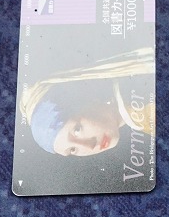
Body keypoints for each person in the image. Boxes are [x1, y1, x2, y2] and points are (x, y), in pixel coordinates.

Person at [21, 48, 155, 157]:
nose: (90, 146)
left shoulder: (145, 105)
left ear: (83, 100)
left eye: (77, 130)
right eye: (72, 150)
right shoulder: (138, 118)